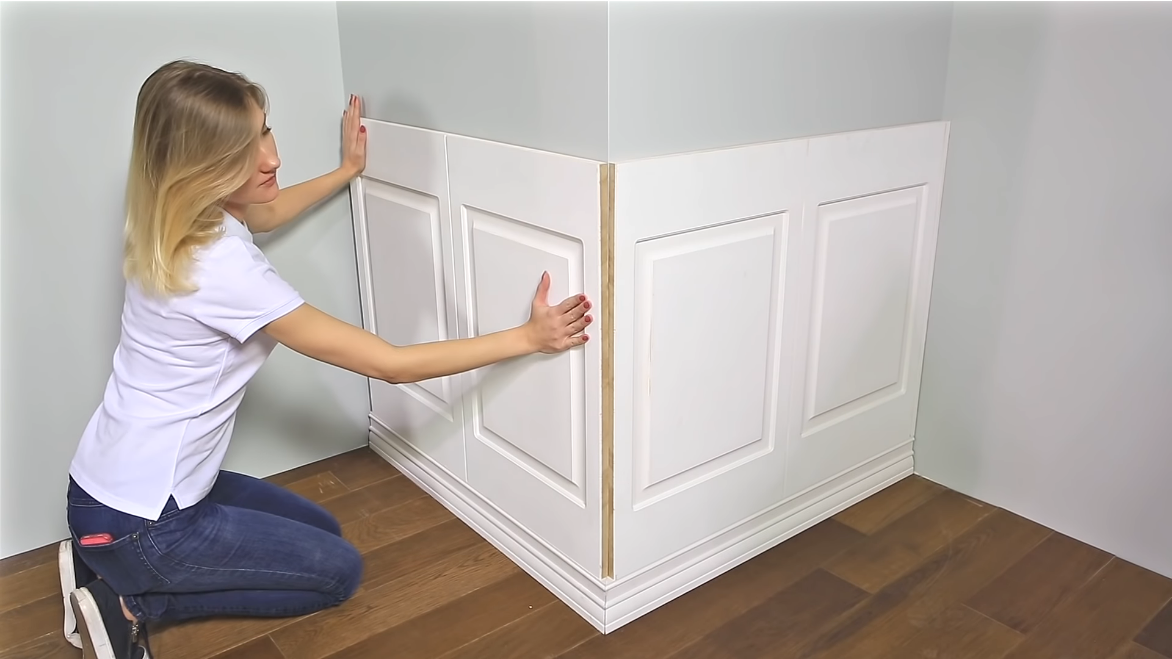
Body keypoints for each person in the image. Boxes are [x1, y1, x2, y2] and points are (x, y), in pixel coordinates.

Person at [59, 60, 593, 659]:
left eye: (264, 130)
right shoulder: (222, 271)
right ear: (200, 168)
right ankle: (127, 600)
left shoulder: (169, 218)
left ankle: (93, 555)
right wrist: (527, 337)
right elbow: (390, 363)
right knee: (338, 573)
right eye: (243, 151)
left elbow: (266, 213)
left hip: (106, 484)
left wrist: (346, 171)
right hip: (146, 521)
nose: (272, 157)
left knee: (324, 533)